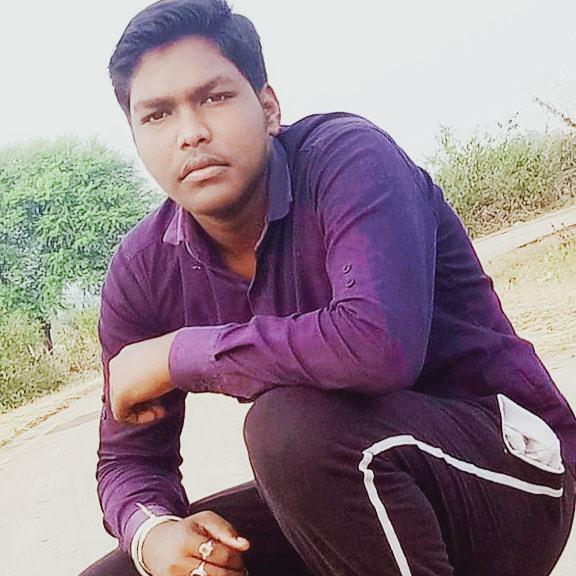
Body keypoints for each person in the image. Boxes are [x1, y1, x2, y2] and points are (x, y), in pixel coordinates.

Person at [81, 1, 576, 574]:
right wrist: (153, 532)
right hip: (355, 494)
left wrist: (177, 355)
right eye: (157, 115)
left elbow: (377, 346)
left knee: (290, 430)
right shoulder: (143, 270)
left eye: (214, 98)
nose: (190, 133)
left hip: (510, 475)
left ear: (268, 107)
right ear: (136, 138)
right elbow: (128, 460)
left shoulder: (348, 162)